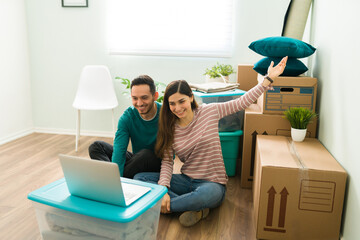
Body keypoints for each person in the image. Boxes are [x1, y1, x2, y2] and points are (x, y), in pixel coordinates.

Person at [134, 57, 288, 227]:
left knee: (207, 196)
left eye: (181, 101)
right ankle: (189, 207)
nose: (177, 108)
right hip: (186, 180)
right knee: (140, 178)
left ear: (191, 98)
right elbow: (167, 162)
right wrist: (163, 190)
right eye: (172, 104)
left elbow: (241, 102)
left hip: (212, 183)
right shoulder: (170, 127)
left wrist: (268, 79)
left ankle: (162, 206)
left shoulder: (209, 112)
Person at [88, 75, 162, 178]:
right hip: (137, 159)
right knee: (96, 146)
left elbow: (170, 155)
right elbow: (119, 150)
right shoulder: (127, 117)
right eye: (135, 98)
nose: (139, 103)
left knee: (145, 155)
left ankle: (110, 179)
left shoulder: (165, 114)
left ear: (155, 96)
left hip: (158, 164)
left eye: (144, 98)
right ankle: (112, 177)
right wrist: (117, 170)